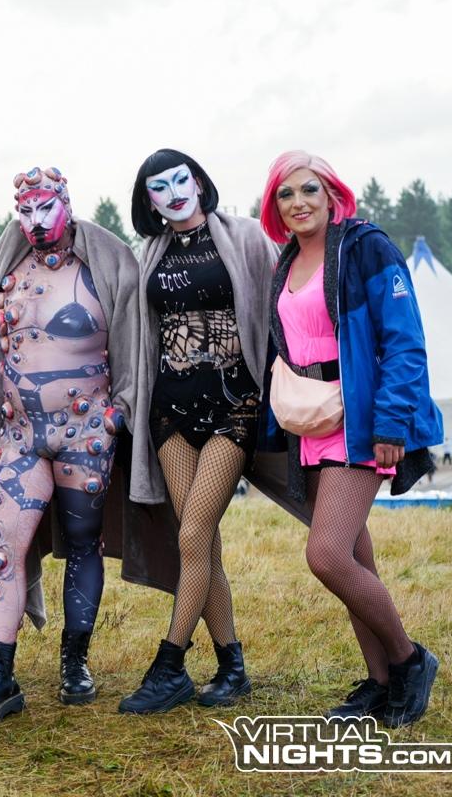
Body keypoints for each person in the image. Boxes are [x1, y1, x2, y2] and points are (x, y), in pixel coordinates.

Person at [262, 150, 441, 727]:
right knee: (355, 555)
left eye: (309, 189)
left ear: (332, 193)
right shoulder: (287, 261)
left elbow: (404, 339)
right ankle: (380, 681)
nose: (298, 202)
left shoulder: (367, 247)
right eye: (286, 194)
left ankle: (410, 661)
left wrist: (391, 422)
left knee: (327, 555)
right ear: (274, 206)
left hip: (360, 419)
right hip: (312, 420)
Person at [0, 166, 140, 729]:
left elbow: (134, 339)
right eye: (26, 211)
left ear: (67, 203)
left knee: (84, 543)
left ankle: (74, 661)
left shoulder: (105, 267)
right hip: (20, 434)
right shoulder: (0, 273)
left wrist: (119, 410)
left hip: (85, 429)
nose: (36, 221)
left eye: (46, 207)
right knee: (1, 547)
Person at [119, 149, 278, 714]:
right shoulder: (148, 255)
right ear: (149, 202)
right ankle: (232, 665)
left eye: (181, 179)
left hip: (235, 405)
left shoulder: (247, 237)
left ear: (199, 181)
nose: (175, 192)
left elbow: (281, 307)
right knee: (201, 540)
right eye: (159, 187)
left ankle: (169, 665)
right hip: (170, 411)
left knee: (192, 535)